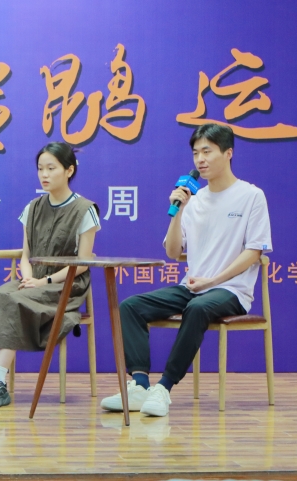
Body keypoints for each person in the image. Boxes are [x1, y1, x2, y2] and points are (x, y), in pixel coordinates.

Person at [101, 123, 272, 417]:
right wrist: (178, 211)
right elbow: (172, 252)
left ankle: (164, 388)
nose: (200, 160)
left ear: (228, 153)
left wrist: (213, 280)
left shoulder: (251, 196)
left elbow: (254, 252)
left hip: (230, 290)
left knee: (198, 308)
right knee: (130, 307)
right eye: (195, 153)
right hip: (192, 287)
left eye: (207, 151)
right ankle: (140, 385)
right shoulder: (193, 199)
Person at [0, 142, 100, 408]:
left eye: (51, 168)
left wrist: (44, 281)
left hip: (65, 285)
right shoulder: (33, 207)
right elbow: (26, 255)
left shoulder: (85, 210)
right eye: (40, 169)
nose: (44, 174)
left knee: (13, 302)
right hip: (33, 280)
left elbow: (82, 263)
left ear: (69, 170)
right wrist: (27, 278)